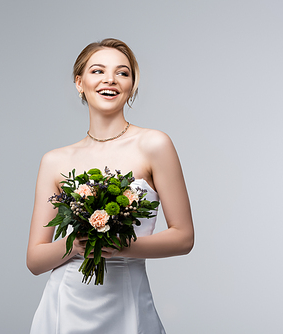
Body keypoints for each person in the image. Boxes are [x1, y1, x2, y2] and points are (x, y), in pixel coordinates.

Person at [27, 38, 194, 334]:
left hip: (126, 301)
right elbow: (35, 260)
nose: (110, 80)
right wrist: (76, 245)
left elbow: (184, 238)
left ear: (131, 85)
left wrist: (121, 246)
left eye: (122, 73)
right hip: (65, 304)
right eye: (97, 71)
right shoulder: (54, 160)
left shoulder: (154, 144)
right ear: (80, 83)